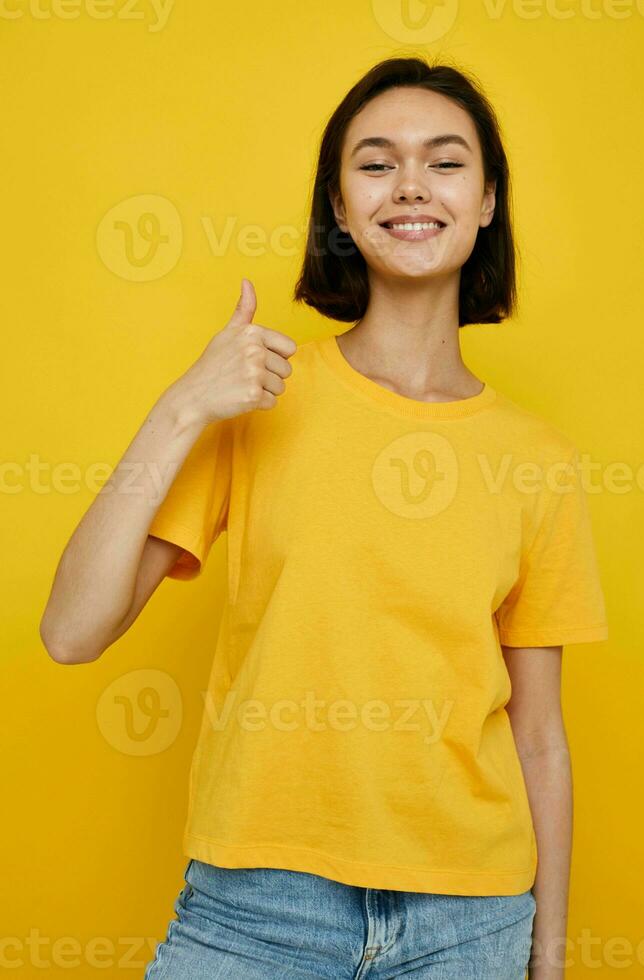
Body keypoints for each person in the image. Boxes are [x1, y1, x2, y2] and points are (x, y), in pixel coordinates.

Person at [40, 56, 609, 979]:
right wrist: (182, 406)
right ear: (340, 207)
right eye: (376, 163)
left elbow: (540, 734)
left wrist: (548, 962)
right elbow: (71, 630)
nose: (412, 186)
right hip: (258, 908)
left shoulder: (539, 459)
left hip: (471, 922)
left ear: (489, 200)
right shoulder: (260, 396)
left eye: (446, 161)